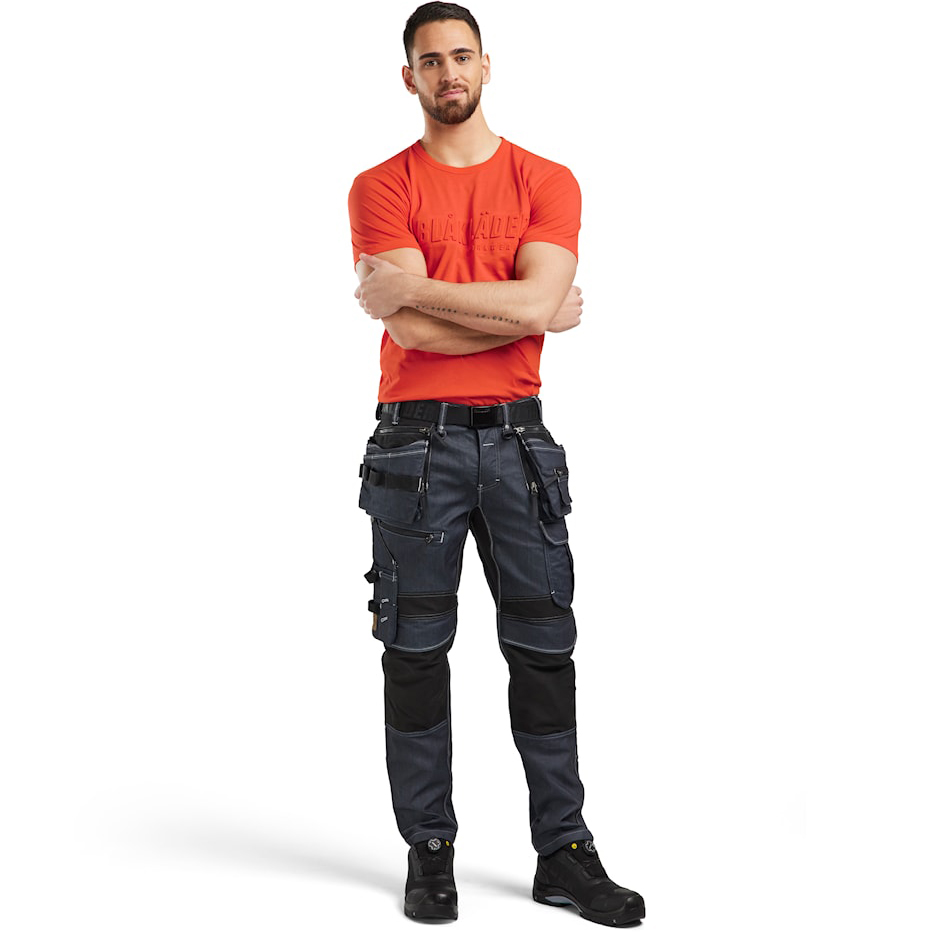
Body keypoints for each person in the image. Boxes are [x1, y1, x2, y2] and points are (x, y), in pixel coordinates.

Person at [348, 3, 645, 925]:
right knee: (414, 652)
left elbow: (431, 306)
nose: (449, 73)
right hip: (415, 445)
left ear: (487, 65)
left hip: (521, 443)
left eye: (462, 56)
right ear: (409, 77)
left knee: (545, 651)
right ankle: (429, 851)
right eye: (430, 60)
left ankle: (564, 853)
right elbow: (411, 332)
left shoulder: (546, 180)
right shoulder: (379, 186)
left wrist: (423, 288)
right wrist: (524, 309)